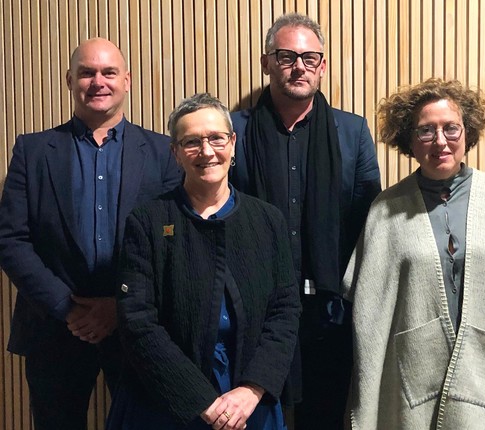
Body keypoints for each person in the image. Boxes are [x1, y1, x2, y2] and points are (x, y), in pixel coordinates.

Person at [0, 38, 180, 429]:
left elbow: (173, 242)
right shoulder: (32, 151)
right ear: (70, 80)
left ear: (127, 81)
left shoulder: (164, 152)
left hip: (139, 330)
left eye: (109, 72)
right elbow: (11, 239)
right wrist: (68, 308)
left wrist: (119, 306)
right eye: (87, 72)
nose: (98, 81)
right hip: (53, 329)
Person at [342, 78, 485, 429]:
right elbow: (368, 309)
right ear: (409, 140)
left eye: (451, 128)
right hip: (413, 380)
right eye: (426, 131)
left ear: (467, 132)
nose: (441, 141)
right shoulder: (387, 208)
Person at [107, 93, 301, 430]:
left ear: (233, 143)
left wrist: (253, 390)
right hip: (167, 399)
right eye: (192, 142)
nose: (207, 151)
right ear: (176, 153)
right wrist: (200, 400)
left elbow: (284, 312)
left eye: (216, 138)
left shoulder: (268, 220)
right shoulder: (147, 221)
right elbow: (138, 321)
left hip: (249, 399)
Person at [229, 13, 382, 430]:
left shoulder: (351, 131)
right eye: (287, 56)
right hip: (255, 307)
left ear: (323, 66)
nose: (299, 66)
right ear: (266, 63)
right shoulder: (231, 132)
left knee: (325, 417)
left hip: (330, 310)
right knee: (257, 416)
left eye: (310, 57)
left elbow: (368, 219)